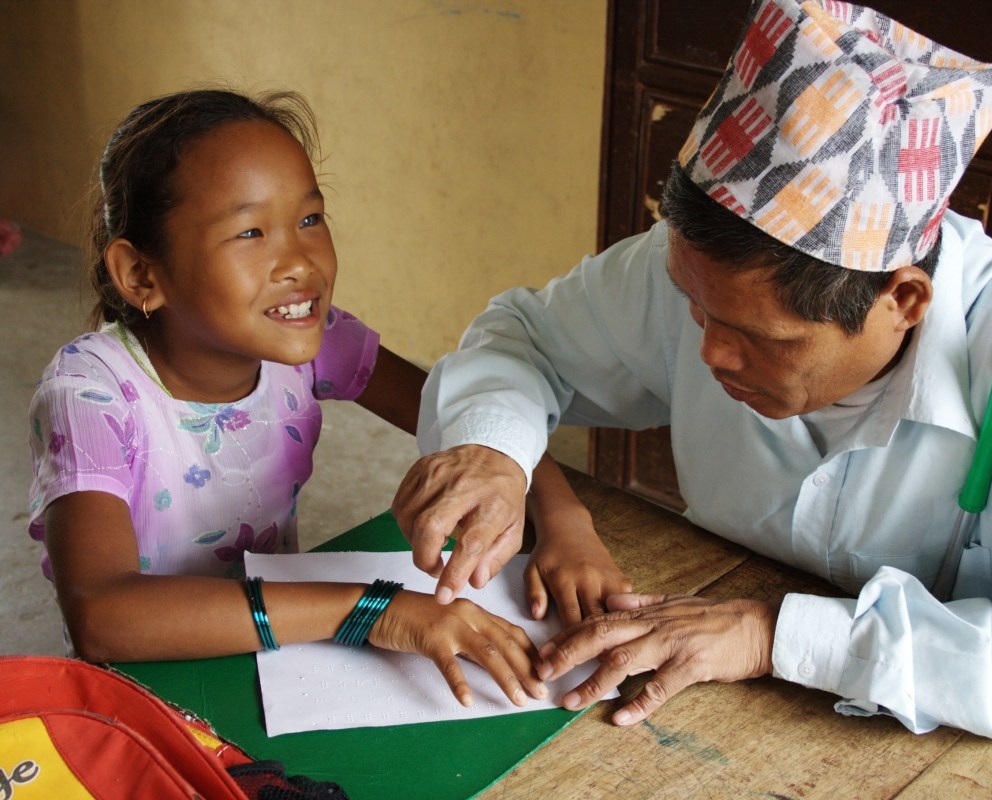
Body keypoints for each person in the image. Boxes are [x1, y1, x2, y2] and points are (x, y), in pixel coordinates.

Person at [392, 0, 992, 744]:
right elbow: (519, 337)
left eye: (757, 337)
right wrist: (493, 451)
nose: (709, 355)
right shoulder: (699, 278)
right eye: (696, 310)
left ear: (902, 300)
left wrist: (773, 633)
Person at [26, 89, 629, 709]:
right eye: (250, 231)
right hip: (142, 690)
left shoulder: (313, 341)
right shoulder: (92, 395)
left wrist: (564, 521)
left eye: (310, 219)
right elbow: (102, 618)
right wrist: (372, 610)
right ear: (141, 276)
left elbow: (473, 418)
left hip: (274, 657)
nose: (299, 262)